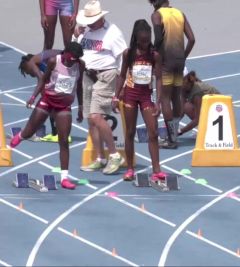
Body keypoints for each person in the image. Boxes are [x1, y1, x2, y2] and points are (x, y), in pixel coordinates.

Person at [10, 42, 85, 190]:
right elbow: (43, 80)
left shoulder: (80, 65)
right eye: (70, 59)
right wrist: (33, 97)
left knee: (64, 141)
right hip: (48, 100)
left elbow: (80, 85)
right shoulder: (53, 61)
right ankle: (19, 137)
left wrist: (81, 107)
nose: (72, 62)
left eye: (75, 60)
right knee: (29, 132)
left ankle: (64, 178)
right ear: (65, 54)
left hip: (64, 106)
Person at [75, 0, 126, 174]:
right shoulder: (85, 30)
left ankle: (114, 155)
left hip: (106, 75)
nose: (88, 24)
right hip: (88, 75)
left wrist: (122, 84)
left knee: (97, 116)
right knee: (90, 119)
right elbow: (74, 50)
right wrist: (76, 35)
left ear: (100, 18)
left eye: (92, 21)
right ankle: (100, 158)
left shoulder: (112, 32)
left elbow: (123, 58)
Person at [113, 19, 167, 184]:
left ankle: (156, 170)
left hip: (146, 96)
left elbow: (159, 79)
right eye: (142, 41)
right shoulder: (128, 54)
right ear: (136, 39)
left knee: (153, 132)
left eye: (148, 40)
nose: (145, 44)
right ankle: (130, 169)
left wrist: (158, 102)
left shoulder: (154, 55)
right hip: (130, 95)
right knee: (129, 132)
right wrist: (116, 96)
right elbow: (122, 75)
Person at [149, 0, 195, 148]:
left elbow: (158, 39)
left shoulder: (157, 15)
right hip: (179, 62)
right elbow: (192, 39)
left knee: (165, 99)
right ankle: (173, 136)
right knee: (176, 97)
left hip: (166, 62)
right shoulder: (179, 13)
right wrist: (183, 56)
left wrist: (153, 56)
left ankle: (171, 139)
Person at [19, 49, 70, 143]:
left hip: (65, 70)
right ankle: (56, 133)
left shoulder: (31, 62)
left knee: (49, 100)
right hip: (67, 70)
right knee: (50, 101)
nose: (29, 74)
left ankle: (56, 133)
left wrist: (32, 98)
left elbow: (40, 79)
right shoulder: (41, 63)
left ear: (26, 65)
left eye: (26, 72)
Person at [179, 70, 220, 136]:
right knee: (185, 107)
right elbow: (181, 111)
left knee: (187, 107)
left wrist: (180, 131)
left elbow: (197, 120)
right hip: (208, 108)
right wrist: (171, 127)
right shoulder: (183, 88)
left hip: (219, 110)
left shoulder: (197, 93)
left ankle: (210, 129)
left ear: (186, 80)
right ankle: (206, 127)